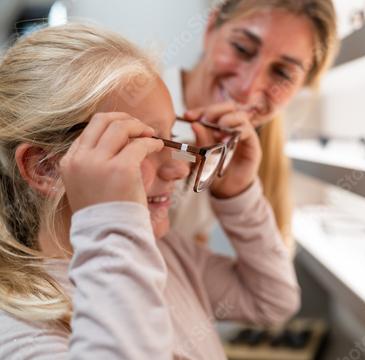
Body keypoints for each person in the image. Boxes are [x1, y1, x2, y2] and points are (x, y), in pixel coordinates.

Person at [0, 23, 299, 359]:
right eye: (143, 144)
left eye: (171, 137)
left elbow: (272, 299)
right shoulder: (19, 332)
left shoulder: (166, 252)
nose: (180, 168)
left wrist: (238, 192)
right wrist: (109, 221)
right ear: (46, 168)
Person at [164, 0, 339, 250]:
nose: (247, 90)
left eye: (282, 73)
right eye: (242, 48)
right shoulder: (125, 109)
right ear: (210, 29)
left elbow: (193, 243)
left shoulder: (236, 157)